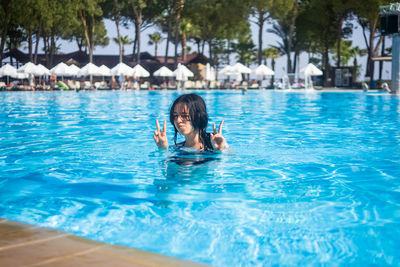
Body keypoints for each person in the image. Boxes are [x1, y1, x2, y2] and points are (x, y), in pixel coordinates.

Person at [153, 93, 228, 152]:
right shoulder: (178, 149)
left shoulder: (214, 142)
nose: (178, 120)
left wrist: (219, 151)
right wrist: (163, 149)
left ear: (198, 116)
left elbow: (229, 165)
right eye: (175, 115)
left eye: (184, 115)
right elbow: (169, 171)